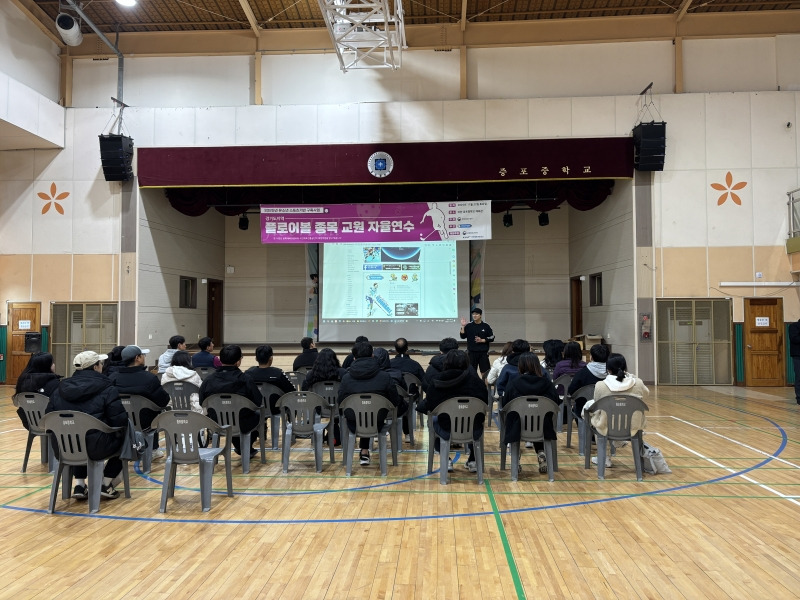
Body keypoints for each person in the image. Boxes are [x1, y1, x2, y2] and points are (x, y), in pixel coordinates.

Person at [45, 350, 127, 500]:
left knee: (77, 436)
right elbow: (119, 421)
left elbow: (48, 419)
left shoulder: (59, 389)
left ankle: (80, 485)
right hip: (97, 447)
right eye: (100, 363)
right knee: (128, 438)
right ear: (96, 367)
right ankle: (106, 483)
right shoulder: (108, 389)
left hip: (64, 447)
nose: (102, 365)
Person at [418, 349, 488, 472]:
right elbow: (484, 404)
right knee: (474, 418)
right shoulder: (478, 383)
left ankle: (446, 459)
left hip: (445, 427)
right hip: (473, 428)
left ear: (446, 363)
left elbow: (430, 405)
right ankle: (473, 460)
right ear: (467, 363)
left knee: (433, 420)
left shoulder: (438, 381)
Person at [337, 341, 403, 466]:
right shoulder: (384, 377)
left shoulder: (346, 378)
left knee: (362, 412)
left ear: (354, 358)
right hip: (378, 421)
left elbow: (340, 401)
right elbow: (395, 401)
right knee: (369, 412)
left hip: (353, 422)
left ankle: (363, 452)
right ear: (372, 356)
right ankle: (365, 451)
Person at [199, 344, 264, 458]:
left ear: (220, 360)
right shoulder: (245, 379)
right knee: (257, 415)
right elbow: (258, 402)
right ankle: (244, 447)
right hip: (242, 423)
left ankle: (241, 447)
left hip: (216, 422)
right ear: (238, 362)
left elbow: (202, 402)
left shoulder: (208, 380)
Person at [586, 353, 649, 467]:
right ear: (625, 367)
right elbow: (646, 394)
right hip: (633, 426)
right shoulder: (638, 383)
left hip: (607, 426)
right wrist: (633, 377)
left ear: (608, 369)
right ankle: (618, 441)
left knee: (595, 415)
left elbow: (596, 403)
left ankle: (604, 458)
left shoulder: (600, 385)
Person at [502, 352, 560, 474]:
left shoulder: (513, 383)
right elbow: (556, 402)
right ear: (537, 365)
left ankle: (516, 457)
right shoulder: (547, 383)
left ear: (520, 366)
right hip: (543, 427)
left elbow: (505, 404)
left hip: (517, 427)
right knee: (538, 418)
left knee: (513, 418)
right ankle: (541, 452)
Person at [109, 345, 171, 457]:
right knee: (154, 413)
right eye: (143, 355)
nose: (144, 357)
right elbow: (163, 401)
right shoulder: (149, 378)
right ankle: (153, 450)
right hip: (145, 423)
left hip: (120, 420)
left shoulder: (113, 378)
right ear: (137, 358)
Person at [14, 352, 62, 430]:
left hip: (29, 423)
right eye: (52, 363)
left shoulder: (22, 381)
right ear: (46, 366)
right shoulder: (55, 383)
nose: (54, 365)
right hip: (50, 424)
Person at [390, 337, 426, 440]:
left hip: (393, 396)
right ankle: (408, 434)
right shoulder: (414, 364)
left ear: (395, 349)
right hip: (411, 395)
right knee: (406, 398)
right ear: (407, 349)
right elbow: (424, 381)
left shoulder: (389, 364)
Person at [245, 344, 295, 415]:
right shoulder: (278, 373)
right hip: (276, 409)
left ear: (256, 358)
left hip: (254, 408)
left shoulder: (248, 373)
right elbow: (292, 391)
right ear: (271, 358)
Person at [567, 343, 610, 416]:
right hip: (607, 411)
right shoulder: (612, 374)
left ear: (591, 357)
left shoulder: (581, 373)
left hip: (584, 411)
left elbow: (571, 391)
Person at [459, 308, 494, 376]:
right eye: (473, 314)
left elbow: (492, 337)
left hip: (483, 353)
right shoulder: (469, 325)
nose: (474, 316)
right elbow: (462, 336)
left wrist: (482, 340)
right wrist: (463, 326)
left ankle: (484, 383)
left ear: (480, 315)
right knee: (471, 372)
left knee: (485, 372)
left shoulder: (486, 326)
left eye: (476, 314)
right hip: (471, 353)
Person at [790, 318, 800, 404]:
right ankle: (799, 398)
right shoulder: (794, 326)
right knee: (799, 377)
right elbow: (794, 339)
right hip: (798, 355)